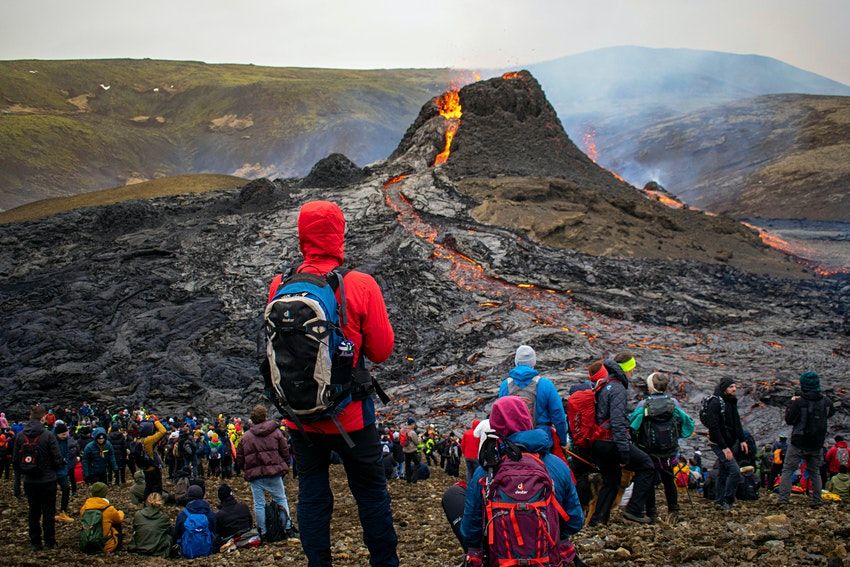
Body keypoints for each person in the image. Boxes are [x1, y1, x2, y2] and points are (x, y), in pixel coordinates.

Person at [270, 201, 397, 567]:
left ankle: (318, 563)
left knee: (312, 495)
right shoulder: (358, 284)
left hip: (300, 417)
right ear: (338, 235)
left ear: (302, 237)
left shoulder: (279, 286)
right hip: (352, 417)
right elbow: (382, 349)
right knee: (371, 495)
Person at [454, 396, 584, 567]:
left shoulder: (485, 470)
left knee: (453, 496)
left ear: (495, 427)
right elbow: (575, 521)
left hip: (501, 560)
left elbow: (470, 531)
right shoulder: (557, 465)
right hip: (548, 559)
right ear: (528, 420)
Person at [588, 353, 656, 525]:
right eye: (632, 368)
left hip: (600, 442)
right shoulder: (618, 388)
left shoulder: (604, 384)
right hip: (612, 441)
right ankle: (633, 510)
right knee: (647, 466)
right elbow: (618, 422)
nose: (633, 372)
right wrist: (624, 451)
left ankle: (598, 520)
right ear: (626, 369)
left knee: (611, 480)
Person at [629, 372, 694, 522]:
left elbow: (633, 424)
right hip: (669, 451)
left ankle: (651, 512)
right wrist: (678, 437)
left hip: (649, 450)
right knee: (669, 479)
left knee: (650, 481)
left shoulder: (643, 404)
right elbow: (686, 423)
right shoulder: (673, 403)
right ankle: (673, 509)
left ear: (650, 386)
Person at [236, 404, 296, 539]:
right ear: (265, 416)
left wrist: (244, 469)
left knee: (259, 503)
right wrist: (285, 465)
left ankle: (263, 531)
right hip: (274, 472)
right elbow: (285, 451)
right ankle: (287, 527)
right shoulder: (276, 432)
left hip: (256, 476)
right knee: (281, 499)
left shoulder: (246, 437)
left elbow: (239, 457)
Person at [778, 371, 836, 506]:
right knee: (814, 471)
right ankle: (817, 500)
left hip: (798, 442)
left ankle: (783, 500)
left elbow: (789, 420)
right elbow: (830, 413)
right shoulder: (826, 401)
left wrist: (791, 404)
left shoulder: (799, 402)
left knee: (788, 469)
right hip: (817, 443)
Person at [498, 345, 568, 452]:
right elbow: (558, 416)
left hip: (514, 443)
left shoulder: (505, 385)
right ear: (533, 362)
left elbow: (500, 417)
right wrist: (563, 441)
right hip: (541, 442)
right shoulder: (546, 384)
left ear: (516, 361)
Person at [13, 404, 63, 551]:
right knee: (48, 511)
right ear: (43, 417)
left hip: (29, 480)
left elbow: (16, 460)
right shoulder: (48, 435)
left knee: (33, 510)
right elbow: (57, 458)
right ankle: (49, 541)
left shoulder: (20, 436)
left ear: (30, 416)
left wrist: (25, 472)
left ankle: (35, 542)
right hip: (48, 480)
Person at [704, 377, 748, 511]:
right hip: (718, 443)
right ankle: (728, 501)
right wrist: (724, 448)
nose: (734, 389)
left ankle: (719, 500)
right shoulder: (715, 402)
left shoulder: (731, 401)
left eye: (735, 386)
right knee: (735, 471)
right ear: (724, 388)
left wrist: (742, 440)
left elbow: (736, 423)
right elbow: (714, 427)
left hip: (730, 441)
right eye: (731, 387)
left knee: (723, 472)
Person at [80, 482, 125, 554]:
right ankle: (118, 546)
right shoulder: (109, 509)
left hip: (86, 545)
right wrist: (120, 512)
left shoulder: (84, 508)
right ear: (105, 493)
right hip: (105, 546)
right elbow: (119, 519)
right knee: (116, 524)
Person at [174, 484, 216, 557]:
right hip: (208, 549)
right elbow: (215, 530)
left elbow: (177, 534)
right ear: (202, 496)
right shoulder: (210, 514)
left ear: (188, 496)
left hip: (187, 550)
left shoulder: (183, 514)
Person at [129, 492, 172, 557]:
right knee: (169, 537)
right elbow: (168, 531)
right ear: (160, 503)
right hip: (156, 550)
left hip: (139, 546)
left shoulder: (138, 514)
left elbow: (135, 528)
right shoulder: (164, 517)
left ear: (147, 501)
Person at [54, 420, 78, 523]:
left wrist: (67, 460)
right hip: (52, 470)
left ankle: (63, 511)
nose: (64, 436)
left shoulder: (67, 440)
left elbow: (70, 450)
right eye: (62, 434)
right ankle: (50, 512)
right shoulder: (52, 440)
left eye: (66, 433)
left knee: (66, 488)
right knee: (51, 491)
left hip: (63, 469)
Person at [138, 417, 167, 498]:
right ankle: (155, 503)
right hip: (153, 468)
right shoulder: (149, 440)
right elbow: (163, 431)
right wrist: (156, 422)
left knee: (148, 486)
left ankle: (146, 502)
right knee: (156, 488)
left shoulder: (139, 440)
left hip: (145, 468)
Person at [402, 418, 421, 484]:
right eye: (414, 424)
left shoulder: (403, 430)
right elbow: (417, 443)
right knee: (417, 464)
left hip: (405, 450)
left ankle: (408, 480)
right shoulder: (412, 432)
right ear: (412, 424)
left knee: (407, 465)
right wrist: (419, 438)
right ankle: (414, 479)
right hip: (412, 450)